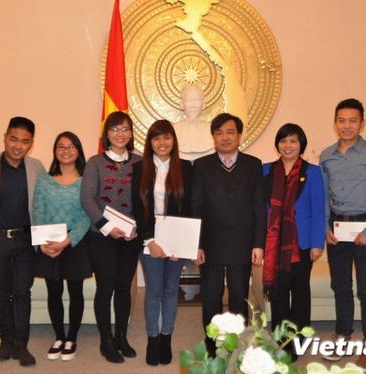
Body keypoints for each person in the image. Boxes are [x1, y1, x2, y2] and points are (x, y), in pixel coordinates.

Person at [319, 98, 366, 372]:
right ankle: (343, 333)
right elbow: (325, 196)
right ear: (335, 123)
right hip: (337, 228)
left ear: (362, 123)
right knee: (340, 285)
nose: (346, 126)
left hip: (365, 227)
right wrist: (325, 228)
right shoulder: (326, 155)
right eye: (341, 120)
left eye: (352, 120)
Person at [191, 112, 266, 356]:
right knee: (211, 297)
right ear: (213, 136)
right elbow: (196, 207)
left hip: (242, 243)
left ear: (240, 135)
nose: (225, 137)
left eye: (230, 132)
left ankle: (236, 342)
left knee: (238, 297)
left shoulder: (253, 165)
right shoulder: (201, 166)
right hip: (211, 243)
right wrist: (197, 244)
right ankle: (212, 344)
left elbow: (258, 206)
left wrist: (258, 243)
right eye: (219, 132)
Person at [0, 117, 46, 367]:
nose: (18, 146)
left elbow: (43, 204)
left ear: (31, 144)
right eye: (14, 139)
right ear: (5, 136)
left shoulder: (37, 167)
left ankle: (21, 344)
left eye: (25, 141)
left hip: (26, 242)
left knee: (22, 293)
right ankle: (5, 339)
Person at [81, 111, 141, 364]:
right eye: (115, 129)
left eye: (125, 129)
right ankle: (106, 341)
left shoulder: (140, 162)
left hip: (130, 237)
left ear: (130, 133)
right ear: (107, 134)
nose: (120, 134)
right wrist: (107, 227)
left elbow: (144, 199)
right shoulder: (94, 162)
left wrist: (137, 228)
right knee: (105, 288)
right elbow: (87, 199)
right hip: (102, 237)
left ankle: (121, 336)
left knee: (123, 288)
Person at [131, 120, 193, 366]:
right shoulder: (139, 168)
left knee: (170, 290)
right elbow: (137, 207)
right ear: (150, 143)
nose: (162, 143)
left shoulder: (186, 168)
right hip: (150, 240)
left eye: (166, 137)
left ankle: (166, 336)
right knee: (154, 290)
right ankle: (152, 338)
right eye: (156, 138)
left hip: (177, 240)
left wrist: (183, 245)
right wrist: (149, 240)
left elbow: (189, 208)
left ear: (173, 140)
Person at [262, 123, 325, 360]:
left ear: (301, 145)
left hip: (303, 242)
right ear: (277, 144)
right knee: (278, 291)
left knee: (299, 290)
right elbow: (261, 208)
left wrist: (318, 242)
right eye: (283, 141)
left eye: (293, 141)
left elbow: (319, 209)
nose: (288, 146)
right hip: (274, 242)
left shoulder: (313, 172)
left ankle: (299, 336)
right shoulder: (266, 170)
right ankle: (281, 336)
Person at [32, 131, 91, 362]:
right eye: (60, 147)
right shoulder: (44, 180)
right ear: (55, 151)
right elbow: (37, 211)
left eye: (71, 146)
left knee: (75, 292)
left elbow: (87, 215)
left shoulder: (87, 179)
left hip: (75, 242)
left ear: (78, 151)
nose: (66, 151)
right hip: (49, 243)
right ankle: (58, 336)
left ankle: (72, 338)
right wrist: (43, 243)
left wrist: (68, 240)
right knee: (53, 291)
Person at [173, 85, 214, 161]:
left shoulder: (212, 129)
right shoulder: (174, 129)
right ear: (182, 104)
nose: (193, 106)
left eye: (197, 100)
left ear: (203, 104)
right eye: (188, 101)